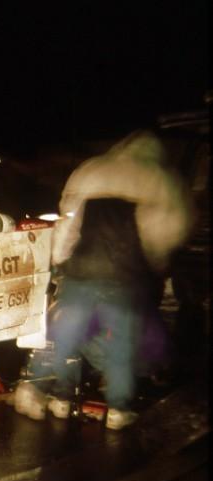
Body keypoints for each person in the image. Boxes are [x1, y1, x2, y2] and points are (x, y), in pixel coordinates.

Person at [15, 130, 193, 430]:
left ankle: (39, 393)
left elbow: (68, 221)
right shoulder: (161, 179)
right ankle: (118, 410)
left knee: (64, 334)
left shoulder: (91, 170)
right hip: (126, 277)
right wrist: (156, 265)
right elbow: (166, 231)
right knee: (121, 345)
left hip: (81, 271)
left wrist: (60, 259)